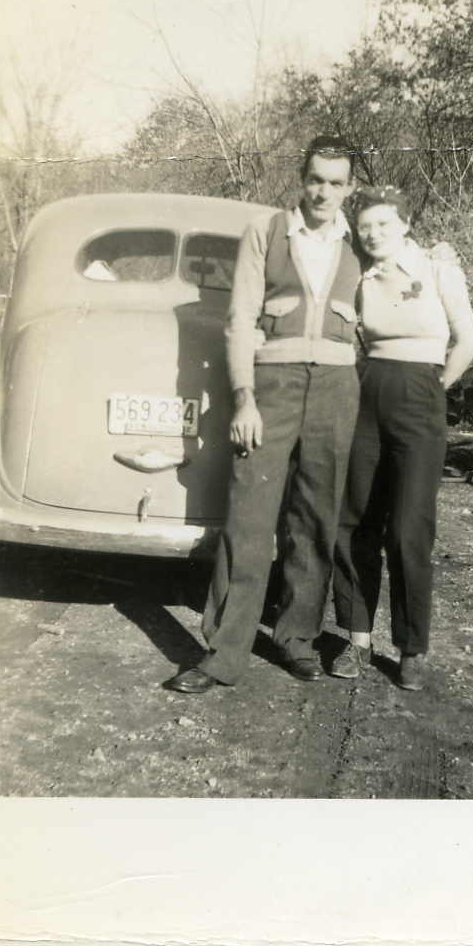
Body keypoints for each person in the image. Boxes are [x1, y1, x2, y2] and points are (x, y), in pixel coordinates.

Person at [169, 136, 361, 693]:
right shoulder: (266, 231)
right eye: (315, 179)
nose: (323, 192)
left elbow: (401, 283)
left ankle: (296, 639)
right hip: (272, 386)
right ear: (302, 179)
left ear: (349, 188)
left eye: (335, 183)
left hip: (336, 389)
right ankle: (223, 653)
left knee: (315, 519)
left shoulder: (360, 243)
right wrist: (245, 397)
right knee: (249, 518)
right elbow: (240, 319)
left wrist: (437, 260)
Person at [330, 186, 473, 692]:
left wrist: (435, 389)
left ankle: (411, 648)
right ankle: (357, 640)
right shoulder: (360, 275)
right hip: (367, 393)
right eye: (366, 227)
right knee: (356, 520)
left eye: (384, 224)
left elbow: (469, 341)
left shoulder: (438, 269)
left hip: (421, 393)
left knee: (409, 527)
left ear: (405, 225)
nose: (374, 234)